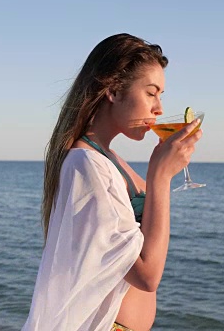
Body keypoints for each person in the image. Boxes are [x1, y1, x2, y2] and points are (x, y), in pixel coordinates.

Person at [21, 33, 203, 331]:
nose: (158, 108)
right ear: (114, 91)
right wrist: (159, 177)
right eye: (150, 93)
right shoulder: (87, 164)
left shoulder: (108, 160)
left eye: (161, 96)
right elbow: (147, 274)